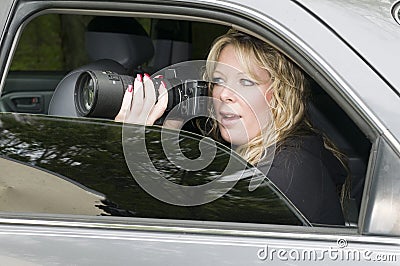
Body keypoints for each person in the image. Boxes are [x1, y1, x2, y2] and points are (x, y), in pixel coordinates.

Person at [115, 29, 349, 225]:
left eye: (246, 82)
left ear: (279, 95)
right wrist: (169, 132)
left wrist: (130, 146)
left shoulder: (286, 172)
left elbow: (184, 243)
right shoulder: (263, 153)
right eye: (218, 81)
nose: (224, 94)